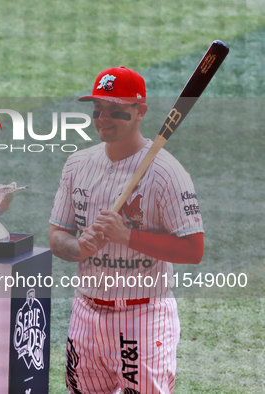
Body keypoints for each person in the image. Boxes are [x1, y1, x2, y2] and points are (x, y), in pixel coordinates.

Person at [49, 67, 204, 394]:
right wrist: (79, 248)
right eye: (98, 108)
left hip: (144, 317)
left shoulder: (166, 173)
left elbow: (193, 250)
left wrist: (127, 236)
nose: (103, 117)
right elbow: (57, 237)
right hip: (86, 314)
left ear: (140, 112)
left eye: (115, 108)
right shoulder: (77, 165)